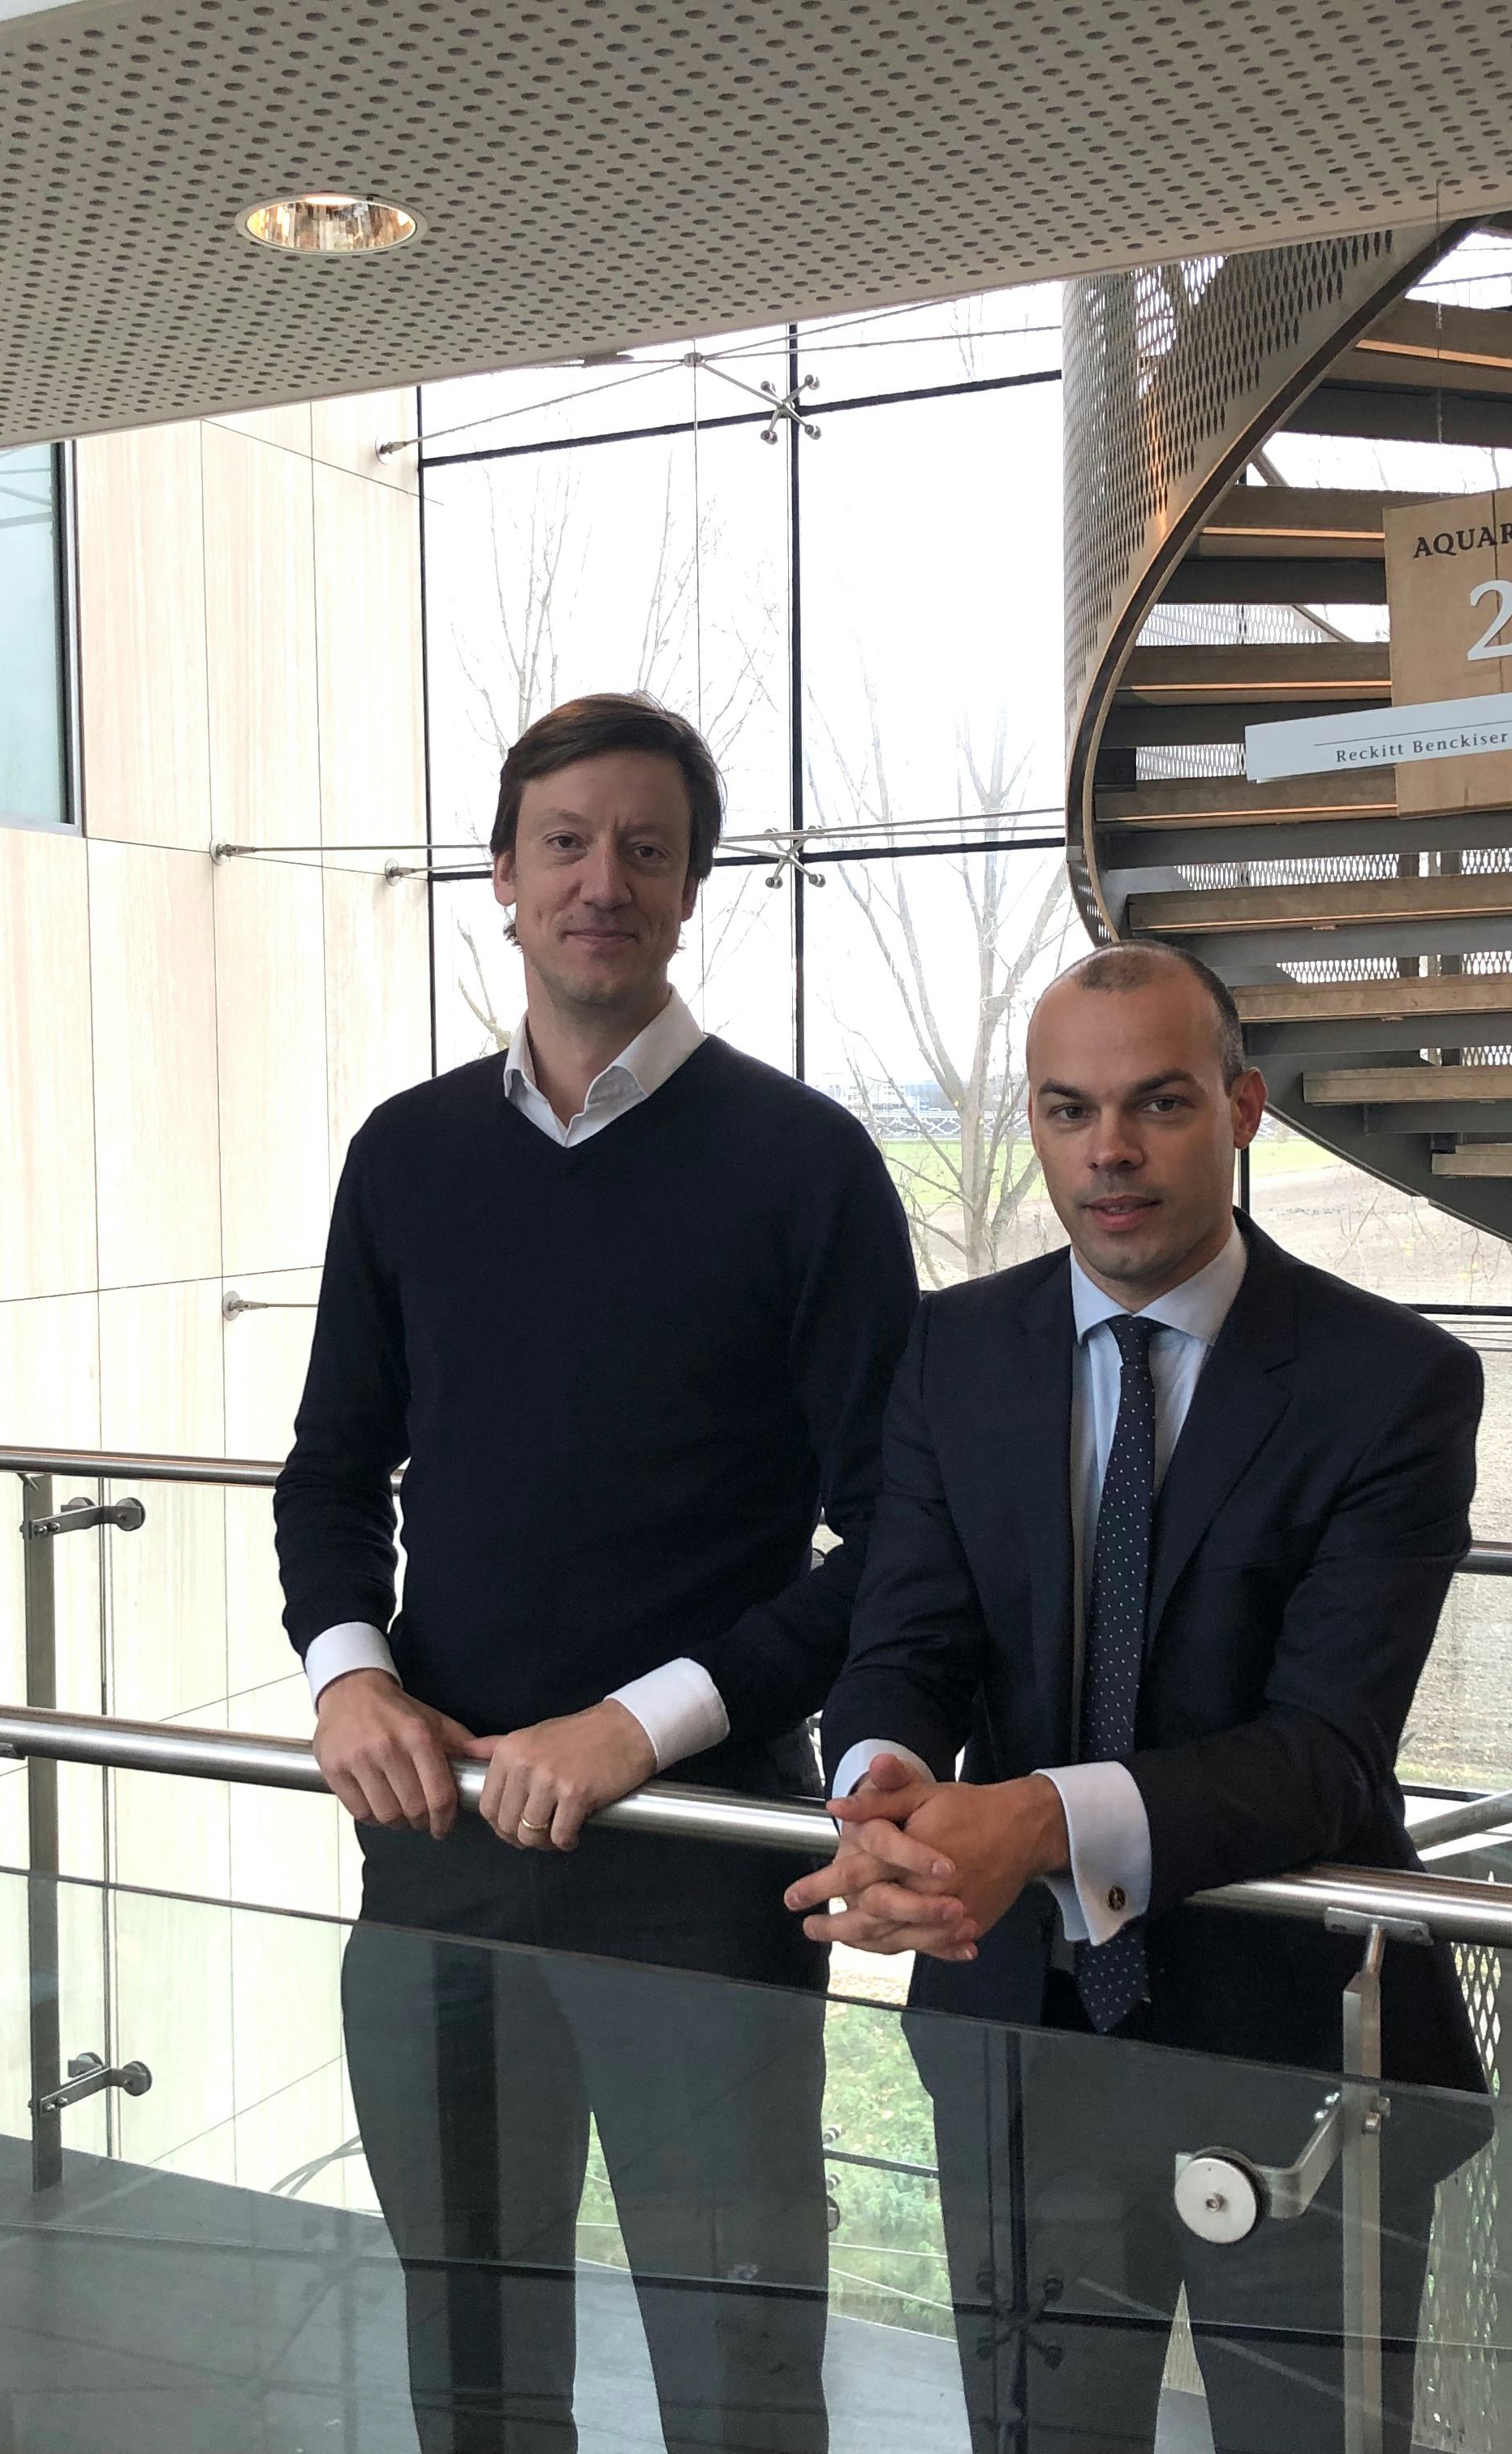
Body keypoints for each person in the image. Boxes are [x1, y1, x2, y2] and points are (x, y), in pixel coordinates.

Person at [276, 692, 919, 2454]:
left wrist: (644, 1725)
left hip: (701, 1869)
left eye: (647, 848)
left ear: (692, 887)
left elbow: (900, 1540)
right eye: (564, 843)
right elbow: (331, 1472)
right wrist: (348, 1673)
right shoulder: (406, 1157)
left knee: (737, 2378)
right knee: (471, 2362)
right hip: (438, 1852)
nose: (602, 881)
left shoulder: (806, 1166)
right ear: (502, 874)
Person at [784, 939, 1488, 2454]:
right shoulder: (955, 1349)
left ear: (1241, 1109)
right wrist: (882, 1792)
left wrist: (1037, 1822)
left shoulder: (1394, 1382)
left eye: (1158, 1104)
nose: (1109, 1150)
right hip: (1018, 2040)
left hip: (1299, 2055)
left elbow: (1328, 1753)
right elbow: (907, 1638)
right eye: (1068, 1109)